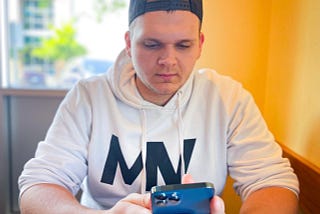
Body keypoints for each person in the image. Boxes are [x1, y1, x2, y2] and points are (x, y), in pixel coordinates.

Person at [18, 0, 299, 213]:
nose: (168, 60)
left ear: (200, 45)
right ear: (129, 43)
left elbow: (273, 182)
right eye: (152, 45)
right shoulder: (88, 97)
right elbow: (38, 186)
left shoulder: (227, 98)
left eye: (183, 45)